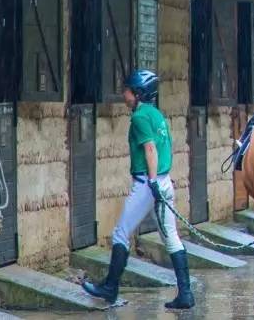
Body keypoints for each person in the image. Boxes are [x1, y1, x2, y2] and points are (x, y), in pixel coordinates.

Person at [83, 70, 194, 310]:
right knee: (171, 236)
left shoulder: (140, 117)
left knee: (121, 233)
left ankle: (110, 288)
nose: (124, 94)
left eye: (128, 90)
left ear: (138, 94)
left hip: (148, 182)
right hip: (164, 181)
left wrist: (152, 181)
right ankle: (185, 294)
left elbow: (150, 149)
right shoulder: (156, 115)